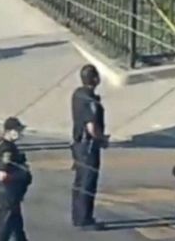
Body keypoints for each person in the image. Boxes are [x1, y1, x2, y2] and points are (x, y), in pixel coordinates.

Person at [71, 64, 107, 230]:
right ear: (95, 79)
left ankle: (77, 216)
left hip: (78, 144)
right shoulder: (91, 100)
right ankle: (85, 219)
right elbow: (92, 127)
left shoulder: (77, 94)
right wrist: (102, 139)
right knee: (87, 183)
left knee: (79, 182)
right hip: (88, 146)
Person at [0, 117, 31, 241]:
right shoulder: (7, 149)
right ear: (9, 131)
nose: (20, 133)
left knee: (16, 224)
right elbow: (2, 174)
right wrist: (22, 175)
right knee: (5, 226)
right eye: (18, 130)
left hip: (5, 192)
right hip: (8, 192)